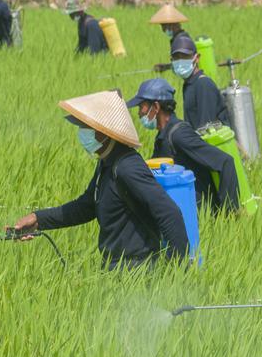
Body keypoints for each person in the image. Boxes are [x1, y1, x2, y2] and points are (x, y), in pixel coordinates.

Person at [10, 90, 190, 270]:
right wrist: (37, 219)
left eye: (85, 127)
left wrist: (177, 269)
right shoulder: (107, 163)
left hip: (138, 270)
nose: (81, 133)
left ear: (104, 131)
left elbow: (169, 213)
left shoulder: (128, 167)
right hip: (115, 269)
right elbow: (86, 207)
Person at [127, 79, 240, 214]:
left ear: (156, 107)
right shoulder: (163, 135)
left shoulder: (179, 134)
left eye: (141, 107)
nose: (139, 113)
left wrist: (229, 213)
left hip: (200, 215)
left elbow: (224, 161)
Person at [170, 34, 229, 131]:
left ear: (196, 58)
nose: (181, 61)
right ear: (171, 60)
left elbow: (206, 129)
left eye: (185, 56)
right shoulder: (189, 84)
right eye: (176, 57)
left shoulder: (203, 84)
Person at [149, 5, 189, 73]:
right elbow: (180, 63)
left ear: (172, 25)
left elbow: (185, 65)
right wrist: (165, 67)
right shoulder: (178, 38)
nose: (163, 30)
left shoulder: (181, 41)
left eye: (164, 26)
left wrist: (166, 67)